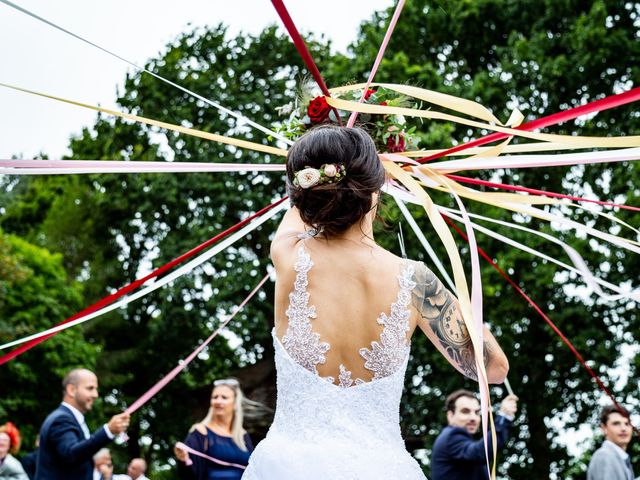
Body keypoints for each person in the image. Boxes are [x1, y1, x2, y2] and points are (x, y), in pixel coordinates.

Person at [243, 125, 509, 479]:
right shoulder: (416, 281)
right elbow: (494, 369)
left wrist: (324, 139)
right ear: (376, 189)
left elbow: (297, 202)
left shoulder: (288, 253)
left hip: (286, 466)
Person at [35, 368, 130, 480]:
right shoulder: (61, 419)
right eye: (90, 388)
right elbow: (71, 454)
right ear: (71, 390)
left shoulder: (70, 418)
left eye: (96, 389)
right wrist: (108, 431)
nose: (95, 394)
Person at [174, 379, 254, 480]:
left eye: (224, 397)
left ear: (235, 404)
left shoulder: (243, 435)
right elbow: (187, 475)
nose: (218, 401)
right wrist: (184, 459)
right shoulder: (201, 431)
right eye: (215, 397)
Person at [430, 389, 518, 480]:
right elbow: (479, 453)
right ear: (450, 416)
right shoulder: (451, 436)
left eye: (476, 412)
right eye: (465, 411)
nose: (473, 418)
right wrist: (504, 416)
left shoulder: (457, 439)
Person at [587, 404, 635, 480]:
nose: (623, 428)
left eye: (627, 424)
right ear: (604, 428)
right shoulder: (604, 455)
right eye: (616, 423)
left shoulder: (622, 458)